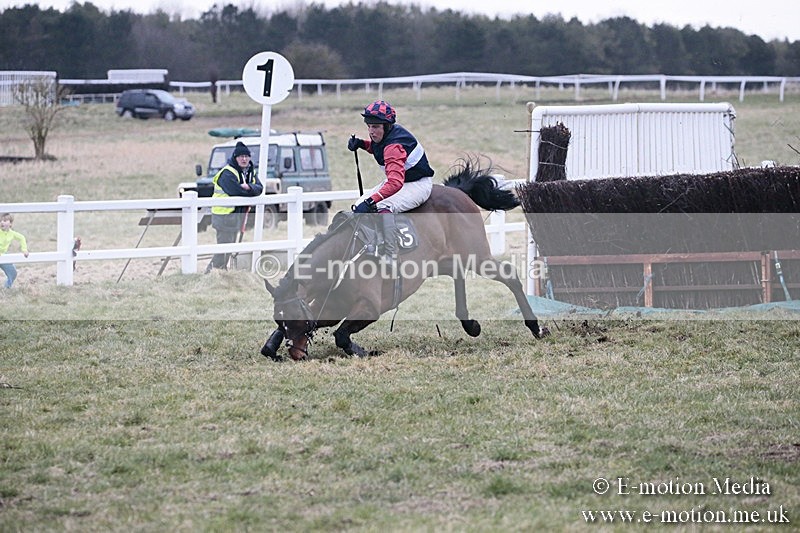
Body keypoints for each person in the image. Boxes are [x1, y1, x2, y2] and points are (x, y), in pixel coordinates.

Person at [347, 100, 435, 264]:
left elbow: (395, 183)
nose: (371, 132)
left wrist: (372, 200)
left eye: (375, 127)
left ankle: (390, 254)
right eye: (369, 126)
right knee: (359, 204)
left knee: (380, 205)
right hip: (402, 180)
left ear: (386, 127)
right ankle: (372, 245)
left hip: (417, 185)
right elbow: (377, 148)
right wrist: (361, 144)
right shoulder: (386, 136)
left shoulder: (393, 147)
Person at [206, 141, 264, 272]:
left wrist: (249, 187)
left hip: (235, 217)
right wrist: (250, 190)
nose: (244, 159)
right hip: (223, 215)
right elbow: (237, 191)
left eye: (246, 156)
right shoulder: (227, 173)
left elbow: (260, 188)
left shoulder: (249, 172)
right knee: (223, 250)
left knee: (229, 248)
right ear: (235, 158)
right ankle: (210, 274)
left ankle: (219, 273)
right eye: (241, 156)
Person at [0, 213, 29, 288]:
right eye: (0, 221)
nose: (2, 222)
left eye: (5, 220)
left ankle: (6, 288)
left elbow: (22, 238)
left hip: (3, 256)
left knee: (13, 273)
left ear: (10, 223)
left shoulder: (12, 233)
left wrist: (24, 249)